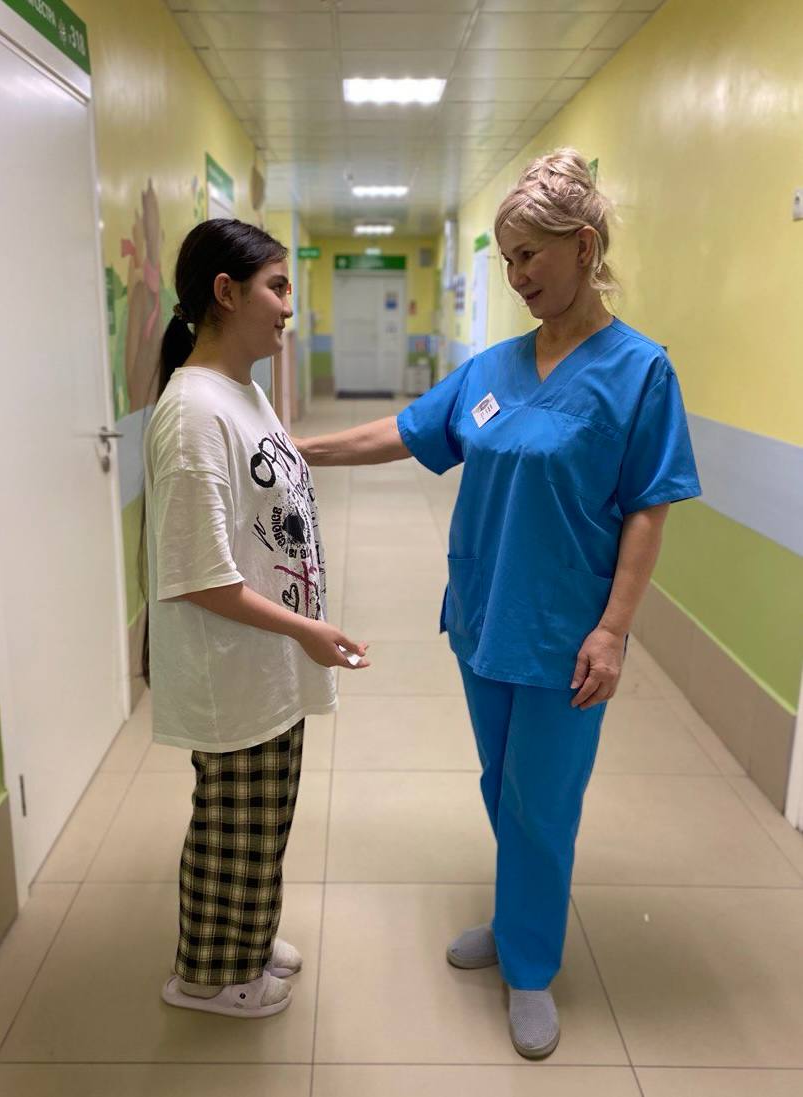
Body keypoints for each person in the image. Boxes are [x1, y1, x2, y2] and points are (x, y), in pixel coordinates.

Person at [296, 149, 701, 1058]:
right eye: (507, 259)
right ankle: (518, 914)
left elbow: (649, 508)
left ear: (583, 246)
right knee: (499, 784)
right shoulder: (493, 367)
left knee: (542, 800)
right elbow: (405, 431)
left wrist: (614, 629)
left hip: (566, 629)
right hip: (484, 613)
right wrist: (298, 447)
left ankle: (530, 965)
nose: (516, 277)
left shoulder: (640, 372)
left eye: (529, 256)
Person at [142, 219, 369, 1020]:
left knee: (262, 818)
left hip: (265, 657)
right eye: (276, 288)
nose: (288, 308)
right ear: (226, 293)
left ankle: (247, 937)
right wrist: (309, 630)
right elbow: (200, 576)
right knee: (232, 827)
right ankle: (210, 977)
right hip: (232, 662)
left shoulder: (243, 392)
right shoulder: (193, 415)